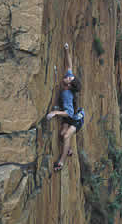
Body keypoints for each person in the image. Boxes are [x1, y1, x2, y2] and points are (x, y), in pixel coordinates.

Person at [47, 43, 82, 171]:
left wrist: (55, 112)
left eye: (70, 78)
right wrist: (67, 50)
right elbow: (69, 65)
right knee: (61, 134)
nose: (68, 77)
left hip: (76, 118)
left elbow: (69, 113)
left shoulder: (67, 94)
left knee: (66, 136)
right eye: (69, 76)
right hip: (70, 114)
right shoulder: (68, 80)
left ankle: (61, 162)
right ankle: (69, 149)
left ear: (69, 86)